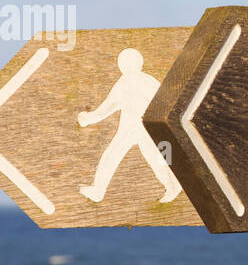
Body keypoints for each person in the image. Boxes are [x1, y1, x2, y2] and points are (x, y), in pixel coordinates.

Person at [78, 48, 182, 203]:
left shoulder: (125, 82)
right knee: (154, 158)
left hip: (136, 128)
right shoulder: (147, 80)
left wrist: (86, 119)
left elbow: (105, 109)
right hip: (146, 127)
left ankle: (98, 190)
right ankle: (173, 186)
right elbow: (167, 102)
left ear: (122, 66)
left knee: (114, 155)